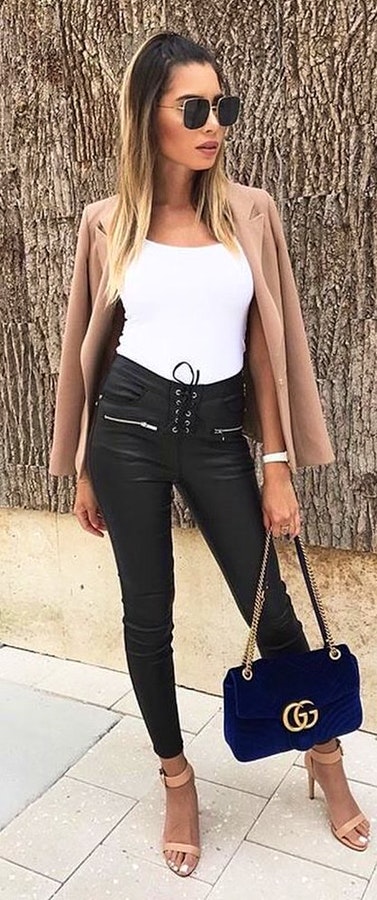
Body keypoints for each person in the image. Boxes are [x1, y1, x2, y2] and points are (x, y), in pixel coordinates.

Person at [49, 31, 370, 877]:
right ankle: (177, 777)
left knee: (274, 617)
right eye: (195, 109)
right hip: (127, 433)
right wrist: (84, 462)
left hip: (223, 435)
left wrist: (275, 464)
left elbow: (265, 350)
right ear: (146, 115)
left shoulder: (250, 212)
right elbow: (94, 344)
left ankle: (324, 762)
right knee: (144, 618)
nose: (214, 124)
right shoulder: (106, 223)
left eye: (221, 107)